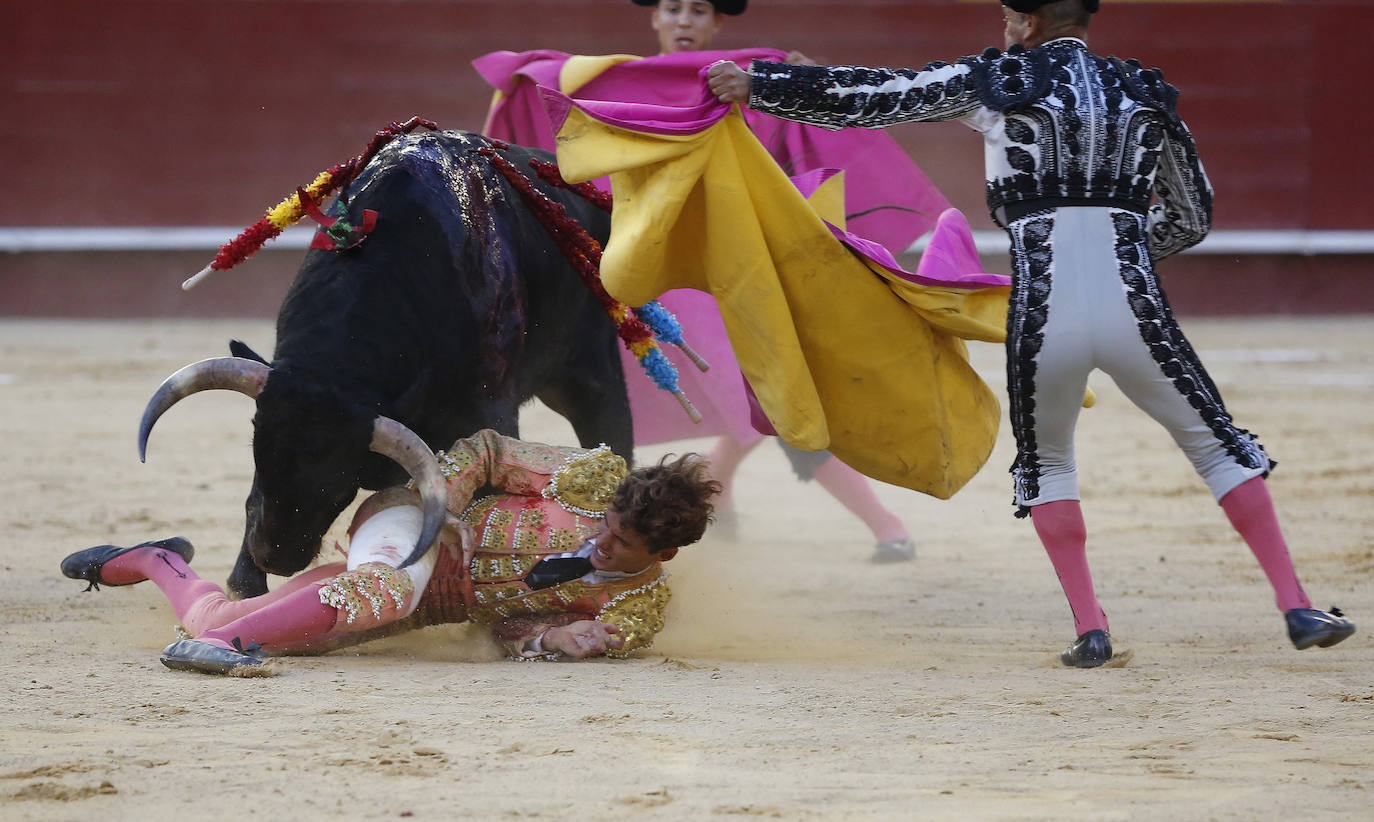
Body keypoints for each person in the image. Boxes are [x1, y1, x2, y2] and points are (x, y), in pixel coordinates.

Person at [707, 0, 1355, 665]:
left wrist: (763, 85)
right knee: (1217, 448)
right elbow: (1193, 215)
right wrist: (1123, 252)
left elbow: (881, 98)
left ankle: (1092, 631)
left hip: (1044, 312)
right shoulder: (1142, 95)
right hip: (1136, 310)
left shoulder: (1000, 81)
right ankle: (1297, 607)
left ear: (1024, 21)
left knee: (1048, 462)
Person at [478, 0, 921, 563]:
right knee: (764, 397)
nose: (684, 20)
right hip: (650, 273)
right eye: (673, 8)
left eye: (699, 10)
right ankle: (876, 525)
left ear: (716, 24)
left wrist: (800, 83)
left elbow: (800, 149)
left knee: (765, 396)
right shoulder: (615, 84)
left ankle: (869, 523)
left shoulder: (746, 82)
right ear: (655, 18)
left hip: (732, 272)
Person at [61, 429, 720, 674]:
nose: (598, 540)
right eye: (604, 525)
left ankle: (154, 561)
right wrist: (450, 510)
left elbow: (508, 633)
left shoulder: (631, 609)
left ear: (660, 556)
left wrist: (554, 645)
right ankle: (234, 655)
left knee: (215, 622)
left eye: (619, 543)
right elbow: (487, 449)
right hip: (413, 524)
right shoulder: (595, 478)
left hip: (421, 606)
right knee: (384, 587)